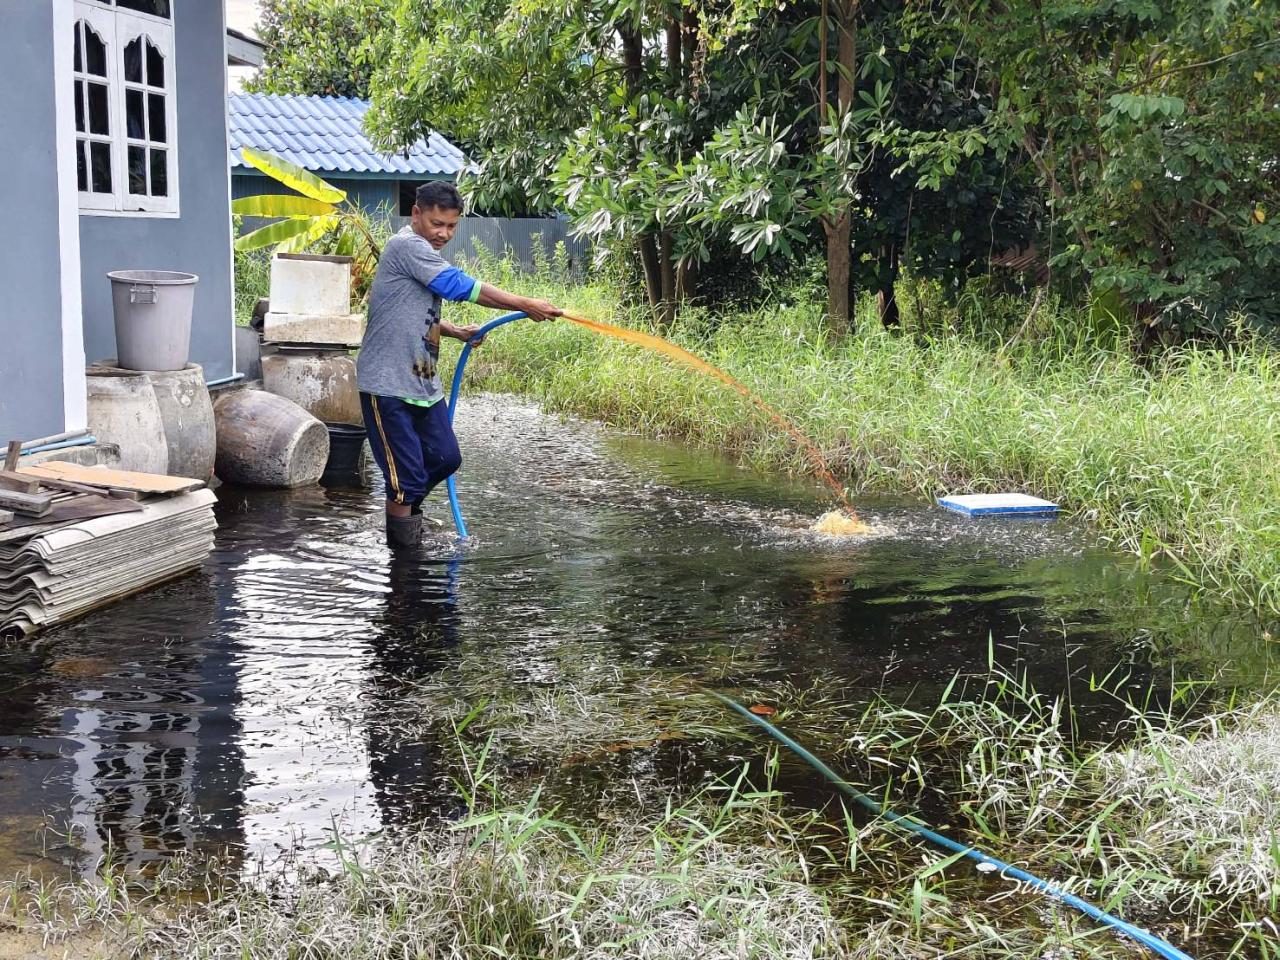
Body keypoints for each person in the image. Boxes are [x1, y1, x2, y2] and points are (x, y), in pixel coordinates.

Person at [357, 181, 562, 548]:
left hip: (422, 383)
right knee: (407, 481)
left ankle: (402, 520)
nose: (444, 234)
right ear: (416, 213)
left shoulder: (422, 250)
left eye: (452, 226)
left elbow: (406, 310)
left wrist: (451, 330)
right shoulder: (407, 245)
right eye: (437, 223)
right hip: (387, 385)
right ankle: (403, 566)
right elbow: (459, 286)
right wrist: (524, 303)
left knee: (445, 458)